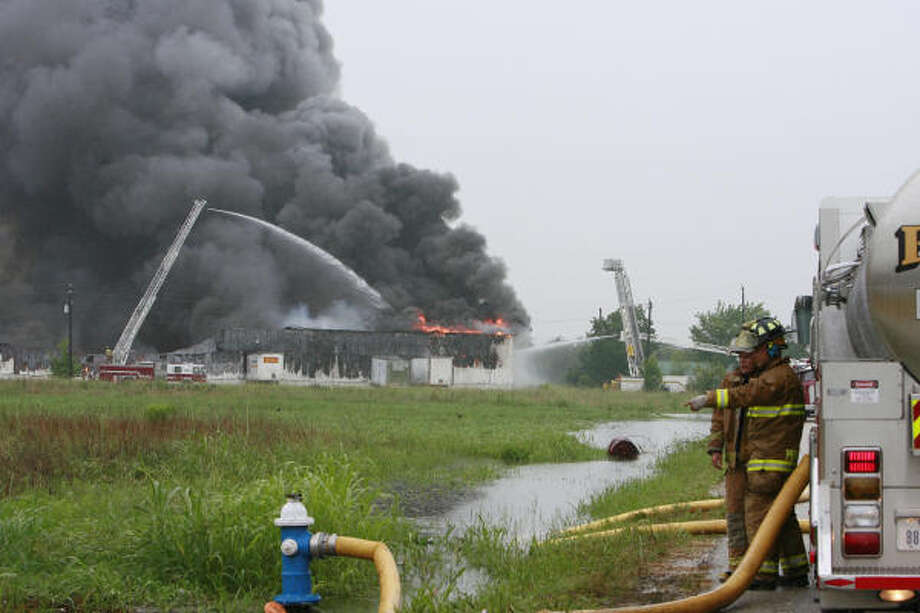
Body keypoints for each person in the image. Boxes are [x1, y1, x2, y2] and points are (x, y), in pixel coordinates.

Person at [686, 318, 808, 590]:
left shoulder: (773, 379)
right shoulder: (750, 379)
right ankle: (794, 570)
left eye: (751, 353)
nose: (745, 359)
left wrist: (708, 398)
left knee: (756, 516)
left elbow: (746, 396)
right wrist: (716, 446)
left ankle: (760, 574)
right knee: (778, 515)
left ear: (771, 349)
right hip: (753, 461)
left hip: (766, 462)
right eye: (740, 354)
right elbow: (722, 418)